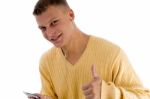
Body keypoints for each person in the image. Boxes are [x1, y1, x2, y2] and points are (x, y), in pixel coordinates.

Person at [30, 0, 150, 99]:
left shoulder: (112, 54)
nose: (49, 33)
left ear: (70, 15)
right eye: (43, 28)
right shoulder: (46, 61)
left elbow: (144, 96)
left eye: (54, 22)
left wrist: (106, 93)